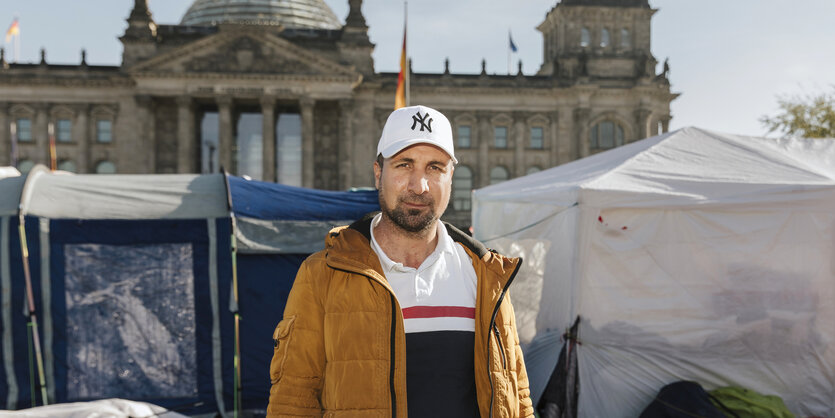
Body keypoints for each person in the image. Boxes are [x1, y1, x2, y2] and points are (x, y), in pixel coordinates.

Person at [267, 105, 533, 417]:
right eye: (404, 165)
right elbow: (293, 401)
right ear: (378, 173)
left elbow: (516, 396)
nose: (418, 186)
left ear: (451, 178)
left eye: (435, 168)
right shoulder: (322, 274)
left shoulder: (488, 276)